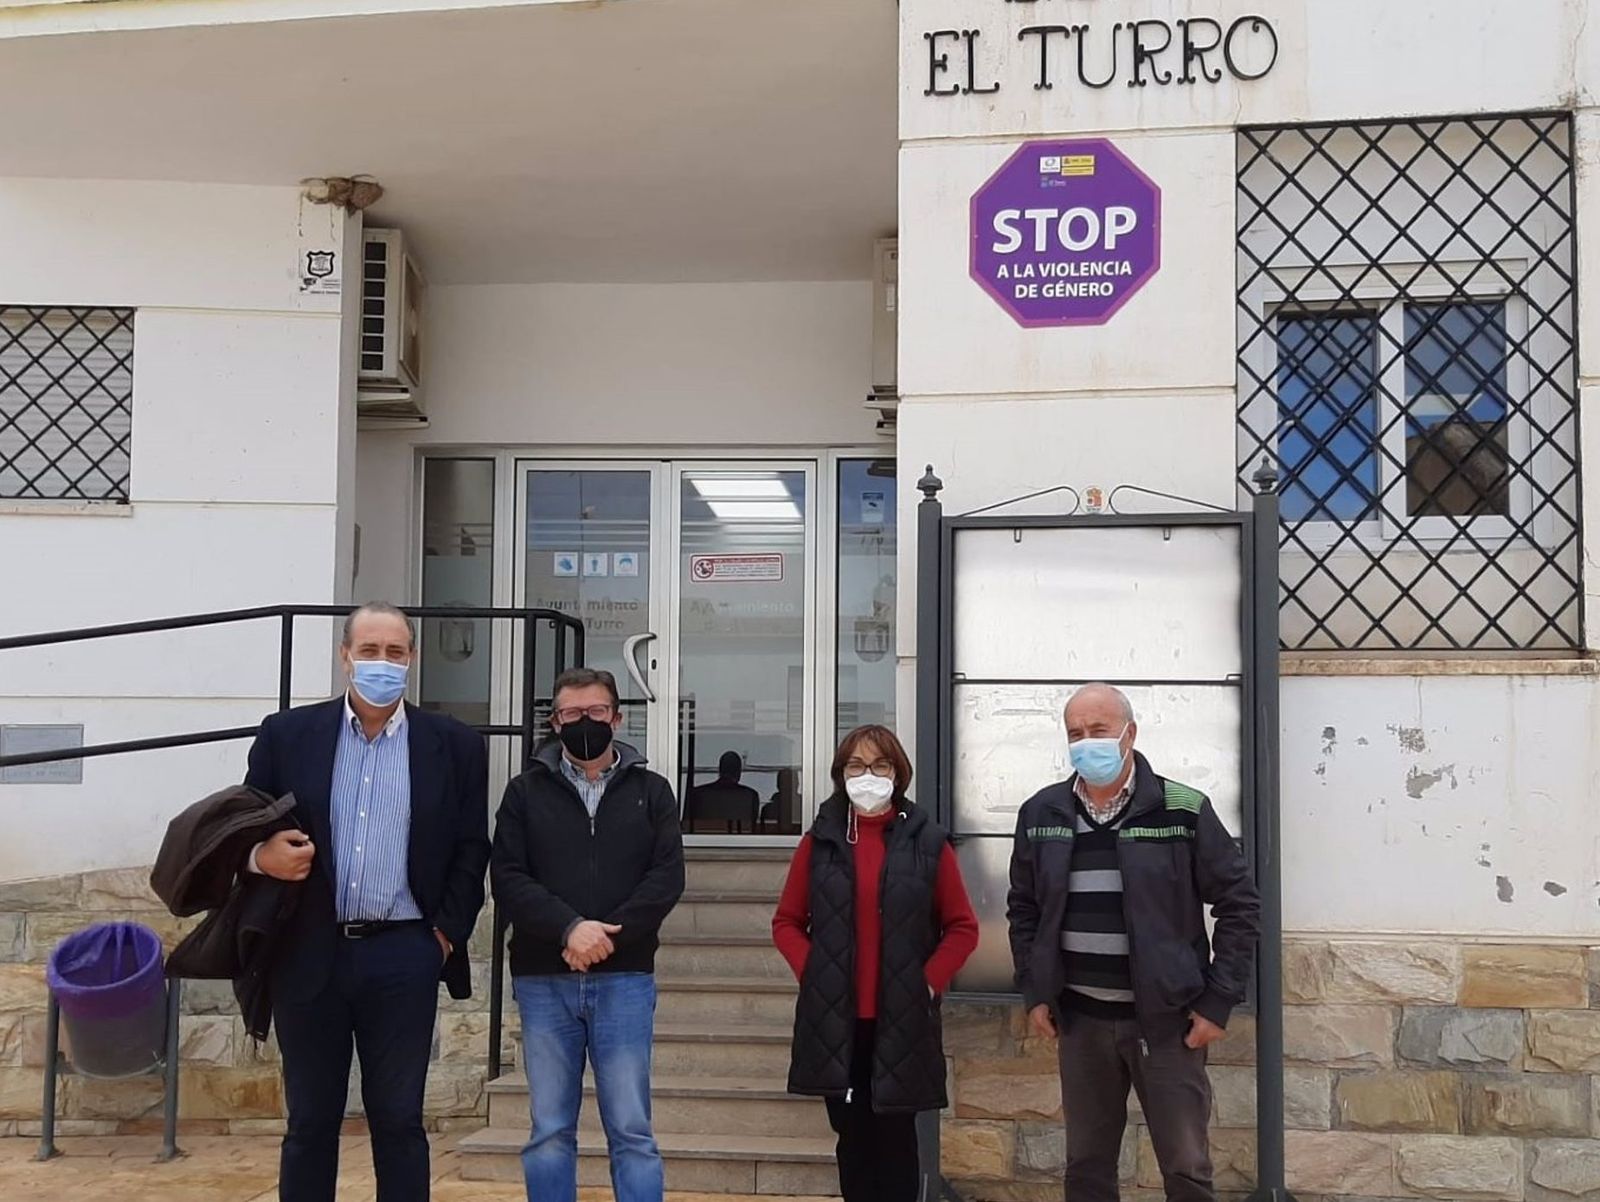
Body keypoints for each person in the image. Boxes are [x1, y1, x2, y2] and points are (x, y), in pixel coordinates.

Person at [243, 602, 490, 1202]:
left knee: (399, 1120)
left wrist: (443, 936)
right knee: (309, 1122)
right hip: (307, 950)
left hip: (404, 952)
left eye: (396, 652)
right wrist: (260, 857)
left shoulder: (453, 744)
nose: (383, 662)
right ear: (345, 655)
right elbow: (242, 828)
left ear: (412, 659)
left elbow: (469, 846)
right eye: (371, 650)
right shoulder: (287, 736)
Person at [1006, 683, 1260, 1202]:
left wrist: (1217, 1002)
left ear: (1129, 733)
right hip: (1080, 1023)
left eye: (1098, 731)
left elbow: (1240, 905)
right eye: (1075, 733)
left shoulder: (1182, 810)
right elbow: (1024, 908)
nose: (1085, 743)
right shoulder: (1042, 813)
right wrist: (1035, 990)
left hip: (1169, 1026)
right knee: (1087, 1167)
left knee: (1186, 1167)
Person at [490, 667, 685, 1202]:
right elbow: (507, 877)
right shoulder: (523, 793)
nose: (585, 722)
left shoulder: (653, 791)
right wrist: (569, 929)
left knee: (632, 1131)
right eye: (571, 714)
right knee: (549, 1131)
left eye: (596, 711)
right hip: (544, 980)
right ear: (554, 722)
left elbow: (667, 877)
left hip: (625, 979)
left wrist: (607, 938)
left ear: (617, 718)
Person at [773, 724, 979, 1202]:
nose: (868, 775)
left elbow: (963, 927)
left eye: (880, 765)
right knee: (854, 1145)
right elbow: (786, 921)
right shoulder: (819, 842)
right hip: (836, 1025)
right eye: (856, 766)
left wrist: (926, 983)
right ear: (841, 774)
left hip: (902, 1022)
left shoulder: (927, 842)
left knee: (897, 1147)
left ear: (898, 774)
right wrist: (814, 971)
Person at [684, 749, 761, 833]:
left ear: (719, 770)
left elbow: (685, 827)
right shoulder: (750, 796)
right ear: (738, 773)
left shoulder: (699, 795)